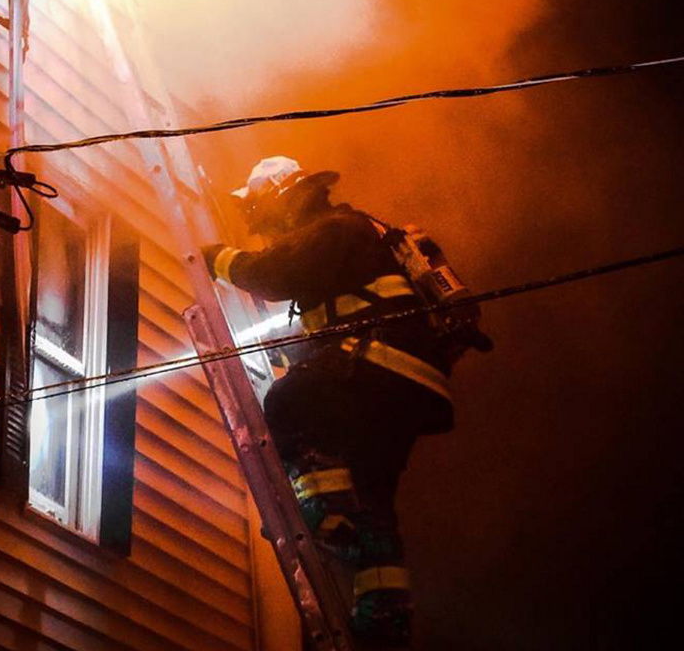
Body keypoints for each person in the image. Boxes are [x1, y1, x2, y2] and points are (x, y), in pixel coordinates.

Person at [202, 156, 491, 647]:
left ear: (281, 197)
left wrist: (216, 258)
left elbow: (274, 275)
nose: (264, 226)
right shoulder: (362, 234)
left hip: (382, 363)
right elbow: (345, 307)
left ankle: (327, 514)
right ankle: (385, 616)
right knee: (373, 494)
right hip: (410, 381)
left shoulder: (334, 229)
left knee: (289, 404)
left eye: (261, 211)